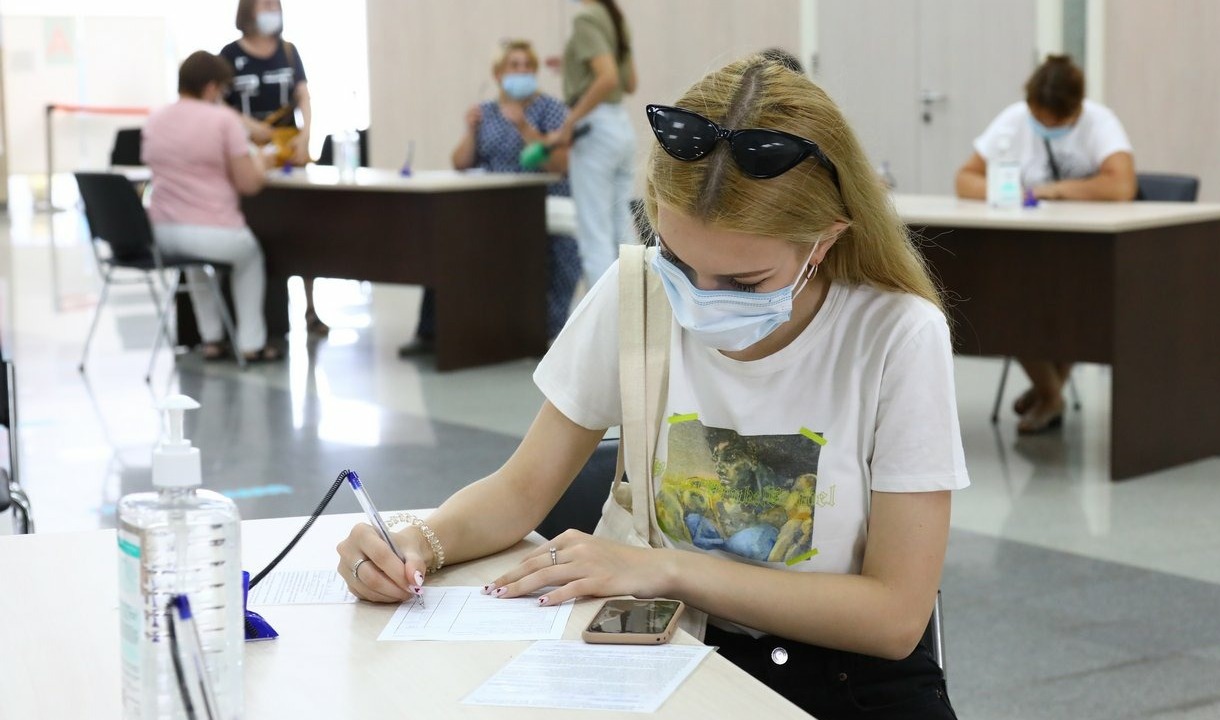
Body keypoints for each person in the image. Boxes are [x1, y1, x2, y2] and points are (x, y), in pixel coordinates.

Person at [339, 54, 967, 719]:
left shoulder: (898, 334)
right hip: (677, 649)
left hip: (843, 677)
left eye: (745, 283)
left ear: (824, 240)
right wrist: (418, 541)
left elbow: (895, 616)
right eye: (678, 261)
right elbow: (521, 490)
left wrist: (664, 569)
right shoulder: (638, 292)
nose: (699, 300)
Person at [955, 54, 1136, 434]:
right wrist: (1009, 193)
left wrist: (1055, 190)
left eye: (1056, 122)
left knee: (1071, 305)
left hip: (1086, 257)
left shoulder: (1100, 122)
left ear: (1076, 109)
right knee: (1013, 301)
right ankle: (1050, 393)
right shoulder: (1013, 120)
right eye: (1040, 119)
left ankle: (1048, 393)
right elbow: (965, 179)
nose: (1046, 127)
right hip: (1025, 251)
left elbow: (1121, 185)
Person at [399, 40, 581, 357]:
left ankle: (544, 334)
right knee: (444, 240)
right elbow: (460, 162)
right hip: (492, 206)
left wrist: (524, 127)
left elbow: (561, 164)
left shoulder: (551, 110)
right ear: (498, 74)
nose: (523, 71)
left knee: (558, 251)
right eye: (515, 65)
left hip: (539, 205)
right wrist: (470, 131)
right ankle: (432, 331)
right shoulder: (485, 112)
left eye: (528, 66)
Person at [141, 51, 280, 362]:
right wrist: (262, 162)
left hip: (162, 234)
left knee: (196, 265)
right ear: (211, 87)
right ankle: (251, 343)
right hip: (215, 231)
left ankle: (212, 339)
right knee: (249, 258)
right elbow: (248, 184)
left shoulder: (155, 120)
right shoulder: (223, 121)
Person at [220, 0, 328, 336]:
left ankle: (311, 308)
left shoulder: (289, 52)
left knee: (304, 228)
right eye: (264, 4)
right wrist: (250, 126)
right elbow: (218, 106)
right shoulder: (229, 55)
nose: (271, 10)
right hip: (249, 154)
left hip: (288, 151)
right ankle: (261, 317)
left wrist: (306, 134)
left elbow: (304, 96)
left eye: (274, 5)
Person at [547, 0, 637, 288]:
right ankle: (636, 305)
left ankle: (607, 315)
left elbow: (608, 78)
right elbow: (629, 83)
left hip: (594, 130)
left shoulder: (585, 18)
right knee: (623, 231)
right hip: (621, 125)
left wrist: (568, 123)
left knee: (594, 235)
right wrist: (572, 67)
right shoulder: (614, 17)